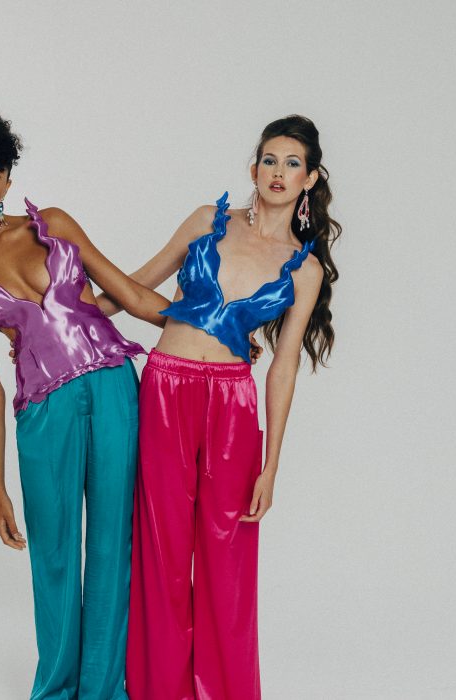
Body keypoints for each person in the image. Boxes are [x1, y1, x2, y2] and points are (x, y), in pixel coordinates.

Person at [97, 114, 339, 700]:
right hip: (166, 388)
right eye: (269, 159)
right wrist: (61, 320)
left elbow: (283, 366)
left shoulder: (305, 268)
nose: (278, 172)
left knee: (227, 558)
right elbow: (138, 284)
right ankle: (158, 690)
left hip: (233, 405)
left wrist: (271, 465)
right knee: (160, 548)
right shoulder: (209, 221)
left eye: (292, 164)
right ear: (253, 168)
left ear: (309, 179)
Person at [0, 105, 171, 700]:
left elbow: (128, 295)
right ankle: (56, 689)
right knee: (55, 554)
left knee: (113, 545)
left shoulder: (54, 224)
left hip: (113, 386)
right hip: (43, 412)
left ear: (8, 181)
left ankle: (104, 690)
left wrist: (211, 326)